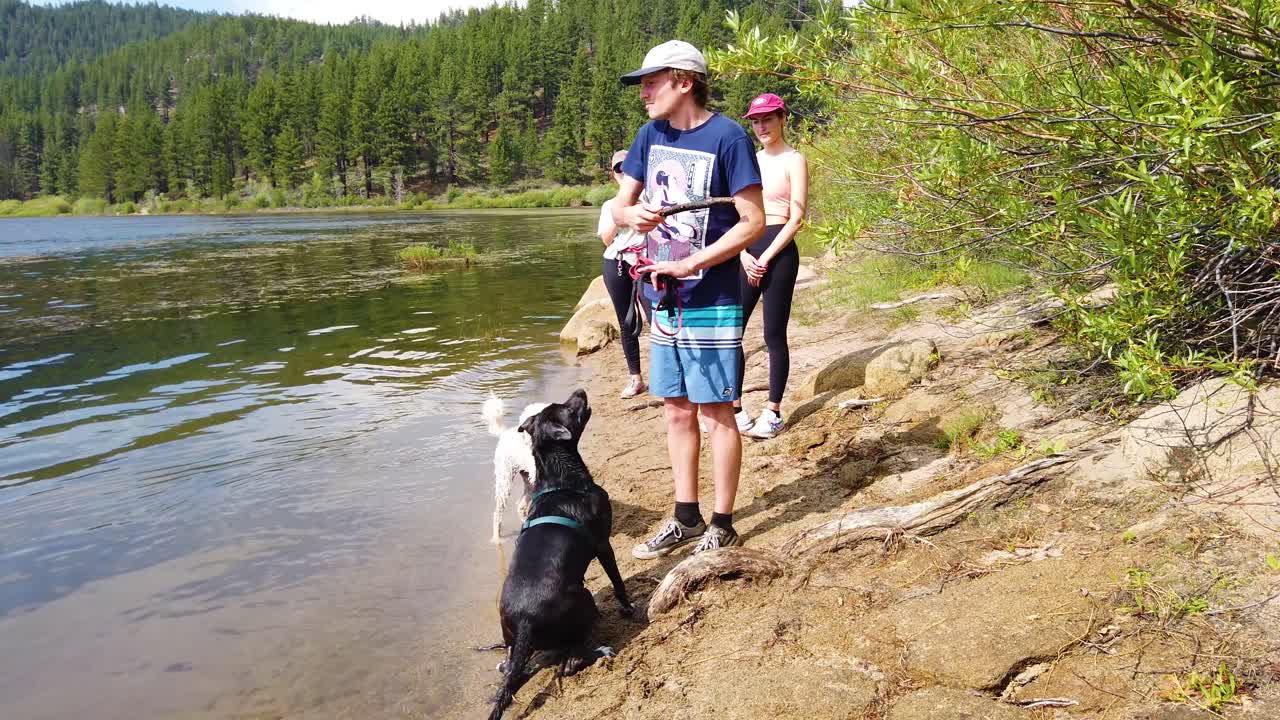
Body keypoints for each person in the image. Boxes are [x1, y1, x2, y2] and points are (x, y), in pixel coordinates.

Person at [612, 40, 765, 557]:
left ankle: (723, 522)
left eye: (651, 82)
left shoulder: (729, 138)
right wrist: (628, 214)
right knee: (676, 409)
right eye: (642, 85)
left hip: (714, 297)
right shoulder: (648, 136)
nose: (644, 93)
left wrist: (692, 262)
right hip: (661, 298)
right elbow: (619, 204)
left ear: (685, 81)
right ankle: (686, 517)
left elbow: (753, 222)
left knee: (715, 411)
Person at [733, 93, 809, 439]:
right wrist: (743, 253)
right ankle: (734, 408)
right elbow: (734, 213)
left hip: (779, 252)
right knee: (732, 332)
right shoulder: (749, 161)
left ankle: (773, 411)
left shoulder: (795, 160)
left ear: (782, 118)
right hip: (748, 250)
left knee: (773, 335)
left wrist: (764, 257)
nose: (761, 126)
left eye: (767, 118)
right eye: (755, 120)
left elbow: (796, 218)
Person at [598, 149, 651, 399]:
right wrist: (621, 219)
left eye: (629, 167)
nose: (624, 172)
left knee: (657, 317)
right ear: (614, 175)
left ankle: (672, 372)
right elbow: (607, 241)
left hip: (647, 264)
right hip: (616, 264)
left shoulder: (650, 198)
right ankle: (636, 378)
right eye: (619, 169)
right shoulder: (609, 206)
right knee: (626, 322)